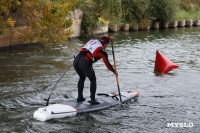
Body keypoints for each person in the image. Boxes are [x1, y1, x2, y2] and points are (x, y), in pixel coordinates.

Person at [73, 35, 118, 104]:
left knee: (82, 77)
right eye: (107, 45)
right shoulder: (102, 52)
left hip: (76, 60)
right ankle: (93, 100)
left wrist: (109, 38)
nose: (107, 46)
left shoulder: (94, 40)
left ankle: (80, 97)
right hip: (84, 62)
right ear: (106, 44)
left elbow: (104, 40)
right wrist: (114, 71)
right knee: (93, 79)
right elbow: (107, 64)